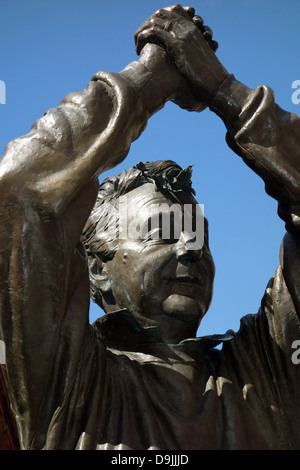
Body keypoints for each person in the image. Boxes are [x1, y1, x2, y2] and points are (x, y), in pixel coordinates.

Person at [0, 5, 300, 450]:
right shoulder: (68, 382)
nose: (191, 249)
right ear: (98, 270)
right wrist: (151, 79)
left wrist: (223, 90)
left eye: (198, 233)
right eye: (161, 231)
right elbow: (20, 191)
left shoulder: (265, 372)